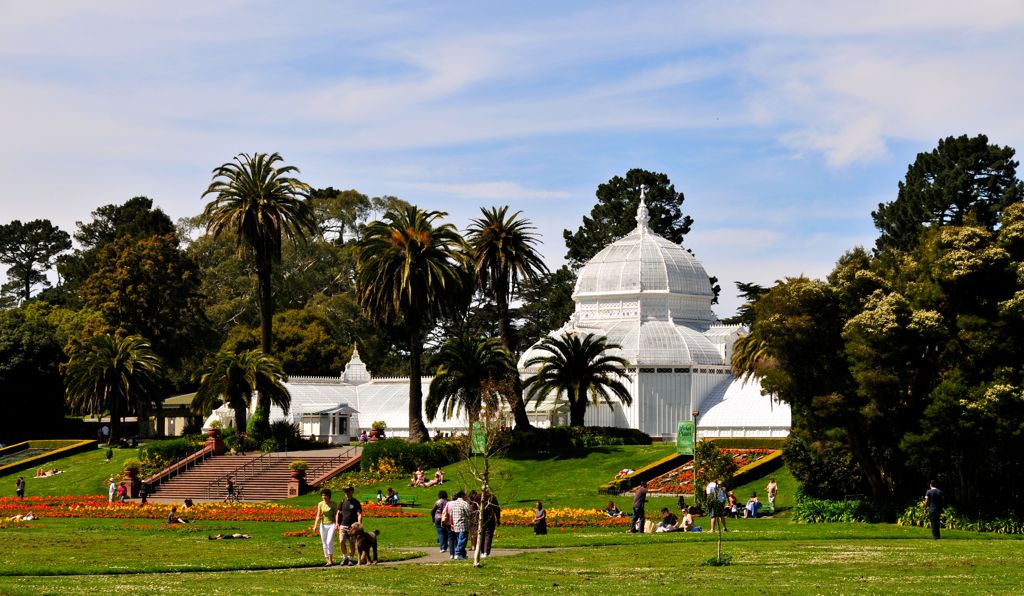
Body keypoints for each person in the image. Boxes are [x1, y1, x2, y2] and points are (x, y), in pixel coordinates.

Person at [336, 485, 362, 566]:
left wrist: (359, 524)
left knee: (352, 543)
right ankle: (345, 557)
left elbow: (359, 514)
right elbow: (338, 513)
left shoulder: (356, 503)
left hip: (352, 527)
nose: (346, 493)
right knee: (341, 541)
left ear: (352, 492)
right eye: (345, 491)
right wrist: (337, 523)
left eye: (348, 491)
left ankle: (351, 559)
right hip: (343, 525)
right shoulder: (342, 501)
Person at [312, 488, 339, 566]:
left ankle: (331, 559)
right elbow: (318, 515)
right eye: (323, 495)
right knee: (324, 543)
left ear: (329, 496)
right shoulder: (320, 504)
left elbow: (337, 513)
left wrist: (337, 523)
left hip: (331, 524)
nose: (324, 497)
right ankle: (328, 560)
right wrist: (315, 525)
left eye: (325, 495)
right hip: (323, 525)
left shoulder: (333, 504)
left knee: (329, 541)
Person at [448, 491, 472, 559]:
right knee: (463, 540)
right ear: (462, 496)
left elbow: (450, 514)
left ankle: (463, 555)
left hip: (456, 524)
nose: (466, 497)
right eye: (465, 496)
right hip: (463, 524)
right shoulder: (464, 503)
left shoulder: (454, 503)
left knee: (460, 540)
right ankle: (458, 553)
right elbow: (469, 513)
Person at [479, 489, 501, 558]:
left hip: (480, 519)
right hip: (490, 518)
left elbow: (473, 507)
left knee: (481, 535)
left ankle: (482, 551)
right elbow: (497, 508)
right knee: (488, 535)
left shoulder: (478, 496)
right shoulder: (492, 497)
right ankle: (486, 552)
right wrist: (498, 519)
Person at [431, 489, 450, 554]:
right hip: (445, 518)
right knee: (446, 533)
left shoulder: (438, 502)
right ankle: (445, 547)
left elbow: (432, 510)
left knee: (440, 533)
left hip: (438, 517)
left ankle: (442, 548)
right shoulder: (448, 501)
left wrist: (433, 518)